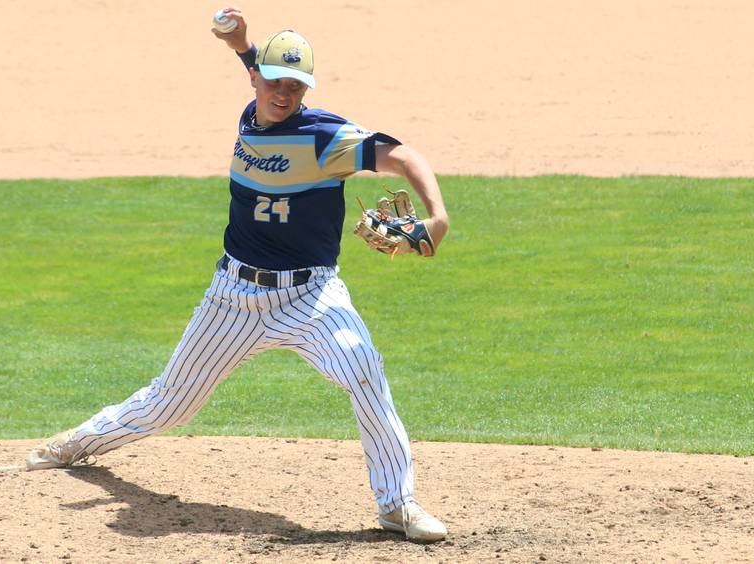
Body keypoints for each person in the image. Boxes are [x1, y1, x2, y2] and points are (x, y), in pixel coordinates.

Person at [26, 6, 450, 543]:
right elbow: (253, 66)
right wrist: (241, 43)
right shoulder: (251, 111)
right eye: (275, 81)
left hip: (310, 296)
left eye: (296, 86)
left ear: (306, 90)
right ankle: (76, 444)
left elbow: (405, 156)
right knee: (169, 403)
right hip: (233, 297)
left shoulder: (326, 137)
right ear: (257, 80)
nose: (284, 94)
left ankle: (398, 504)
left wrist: (437, 214)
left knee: (363, 368)